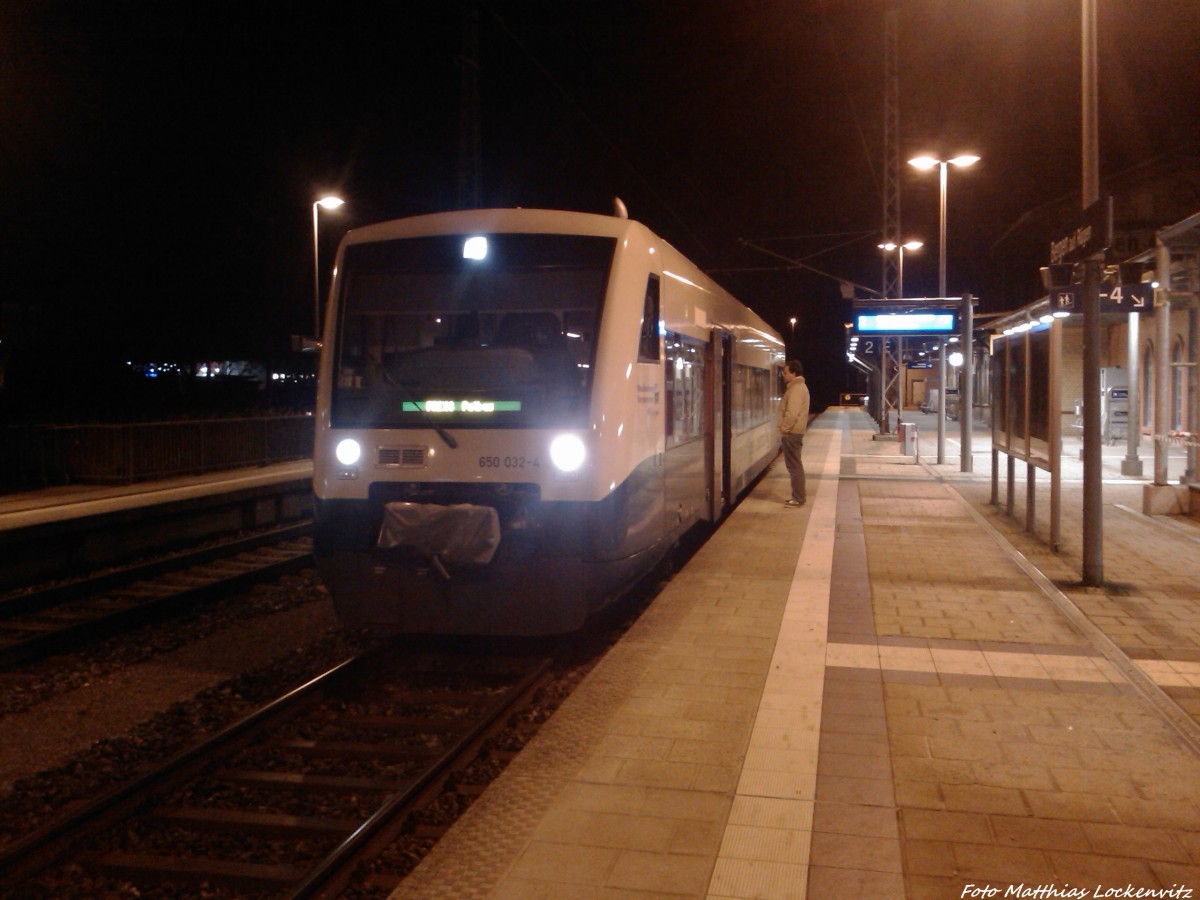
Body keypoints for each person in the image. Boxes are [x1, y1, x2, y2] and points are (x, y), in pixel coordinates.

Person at [779, 360, 810, 507]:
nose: (783, 375)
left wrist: (785, 428)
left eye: (785, 372)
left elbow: (792, 413)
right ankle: (798, 496)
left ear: (793, 373)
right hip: (794, 432)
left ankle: (798, 497)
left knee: (794, 466)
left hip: (792, 433)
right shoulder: (798, 387)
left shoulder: (797, 389)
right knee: (795, 465)